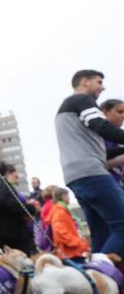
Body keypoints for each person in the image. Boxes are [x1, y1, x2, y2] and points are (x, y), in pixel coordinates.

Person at [55, 70, 124, 266]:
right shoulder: (81, 101)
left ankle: (94, 281)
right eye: (99, 82)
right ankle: (95, 273)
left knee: (101, 234)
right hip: (92, 173)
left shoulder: (68, 110)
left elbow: (102, 153)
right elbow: (101, 126)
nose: (103, 87)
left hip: (77, 176)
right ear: (84, 82)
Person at [0, 161, 37, 255]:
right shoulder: (0, 184)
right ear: (8, 173)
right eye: (15, 175)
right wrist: (29, 208)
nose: (17, 177)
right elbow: (5, 201)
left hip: (8, 233)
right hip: (11, 234)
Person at [49, 187, 90, 263]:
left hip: (71, 252)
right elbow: (60, 232)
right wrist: (78, 243)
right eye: (68, 196)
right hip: (70, 253)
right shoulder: (60, 211)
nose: (69, 198)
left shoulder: (62, 210)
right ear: (63, 196)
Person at [101, 99, 124, 187]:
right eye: (120, 112)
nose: (123, 116)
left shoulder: (119, 137)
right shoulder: (98, 135)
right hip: (105, 183)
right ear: (105, 112)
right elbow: (100, 161)